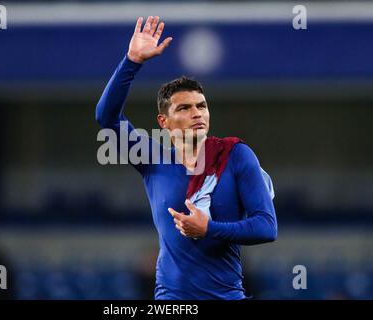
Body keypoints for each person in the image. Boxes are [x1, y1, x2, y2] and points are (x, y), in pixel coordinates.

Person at [95, 16, 277, 300]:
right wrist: (131, 62)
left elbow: (267, 226)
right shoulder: (152, 158)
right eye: (184, 108)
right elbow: (107, 118)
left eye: (201, 106)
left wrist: (209, 229)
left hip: (227, 296)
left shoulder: (236, 155)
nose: (197, 113)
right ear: (163, 122)